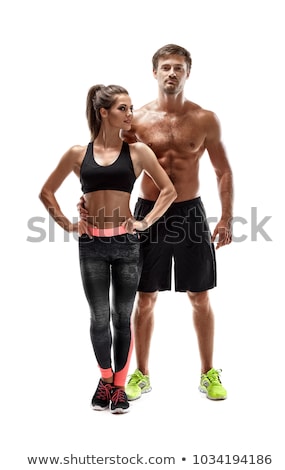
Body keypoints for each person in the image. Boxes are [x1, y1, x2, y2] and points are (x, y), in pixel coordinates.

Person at [79, 44, 234, 401]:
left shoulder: (205, 118)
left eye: (178, 67)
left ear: (187, 73)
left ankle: (208, 372)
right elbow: (103, 161)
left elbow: (223, 170)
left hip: (190, 213)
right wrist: (87, 202)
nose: (171, 73)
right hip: (146, 212)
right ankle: (141, 374)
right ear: (155, 72)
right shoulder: (136, 119)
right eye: (165, 67)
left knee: (199, 295)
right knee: (144, 297)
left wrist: (226, 217)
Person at [39, 84, 177, 414]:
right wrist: (70, 225)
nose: (130, 114)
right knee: (100, 318)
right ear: (104, 112)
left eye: (131, 108)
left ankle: (119, 387)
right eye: (123, 109)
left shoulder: (138, 152)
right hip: (92, 245)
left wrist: (144, 223)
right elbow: (46, 192)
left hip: (127, 244)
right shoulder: (77, 154)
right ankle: (105, 380)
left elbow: (168, 191)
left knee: (121, 317)